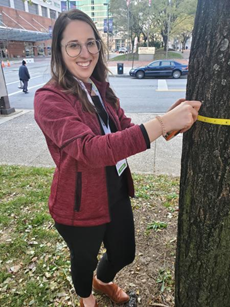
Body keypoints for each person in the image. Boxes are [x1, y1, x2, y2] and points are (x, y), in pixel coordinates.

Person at [34, 9, 201, 307]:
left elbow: (123, 129)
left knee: (124, 253)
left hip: (115, 189)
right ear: (59, 51)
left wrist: (170, 124)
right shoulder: (49, 98)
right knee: (83, 260)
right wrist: (163, 121)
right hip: (78, 203)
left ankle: (104, 279)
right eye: (73, 45)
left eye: (91, 43)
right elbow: (90, 150)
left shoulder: (100, 87)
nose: (85, 53)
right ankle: (88, 299)